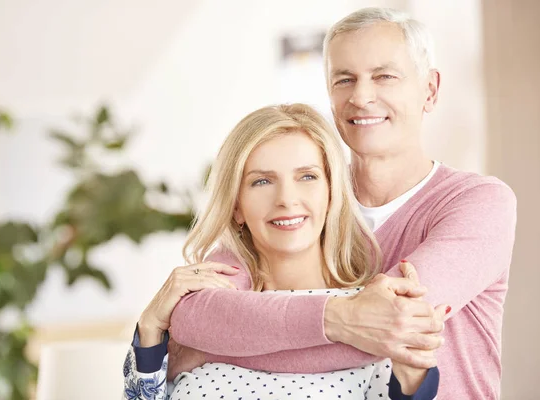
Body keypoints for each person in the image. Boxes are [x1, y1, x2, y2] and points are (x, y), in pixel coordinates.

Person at [158, 7, 516, 400]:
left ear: (429, 90)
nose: (361, 97)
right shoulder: (302, 203)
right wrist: (342, 317)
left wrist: (223, 342)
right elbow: (199, 314)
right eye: (344, 80)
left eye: (384, 76)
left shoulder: (478, 203)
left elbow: (395, 324)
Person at [123, 103, 447, 399]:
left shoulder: (374, 314)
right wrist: (151, 326)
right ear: (236, 206)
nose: (287, 199)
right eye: (262, 182)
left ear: (332, 193)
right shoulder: (203, 312)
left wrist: (414, 372)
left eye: (307, 176)